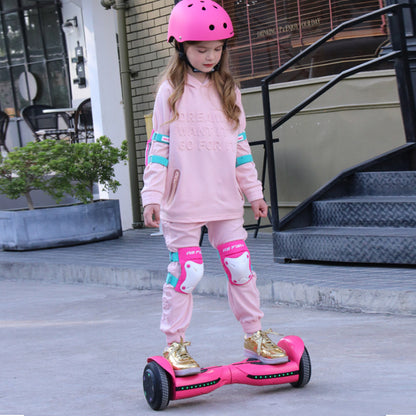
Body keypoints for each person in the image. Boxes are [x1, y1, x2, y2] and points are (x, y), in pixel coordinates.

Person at [141, 0, 288, 377]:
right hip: (183, 200)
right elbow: (158, 149)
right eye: (201, 49)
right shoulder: (169, 92)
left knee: (240, 266)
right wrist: (152, 196)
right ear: (181, 47)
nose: (210, 56)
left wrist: (254, 193)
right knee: (187, 272)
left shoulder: (229, 90)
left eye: (217, 49)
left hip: (224, 199)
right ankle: (174, 345)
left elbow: (240, 149)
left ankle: (254, 335)